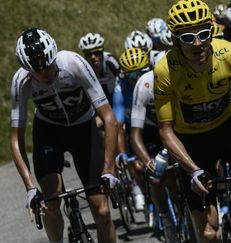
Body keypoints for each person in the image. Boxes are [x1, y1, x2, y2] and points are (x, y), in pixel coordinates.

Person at [154, 0, 231, 241]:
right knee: (208, 233)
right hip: (193, 142)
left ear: (212, 32)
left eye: (203, 34)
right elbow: (165, 131)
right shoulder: (165, 69)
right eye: (188, 38)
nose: (197, 44)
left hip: (229, 128)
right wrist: (193, 170)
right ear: (175, 41)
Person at [11, 28, 119, 243]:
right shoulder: (21, 81)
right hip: (49, 132)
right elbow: (16, 138)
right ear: (27, 69)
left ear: (54, 56)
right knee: (50, 203)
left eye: (48, 67)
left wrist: (108, 169)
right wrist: (30, 187)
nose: (45, 75)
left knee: (103, 211)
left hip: (84, 129)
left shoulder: (73, 63)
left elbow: (109, 118)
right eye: (37, 72)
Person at [128, 48, 179, 243]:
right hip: (153, 132)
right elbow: (135, 134)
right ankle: (166, 218)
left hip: (178, 129)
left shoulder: (181, 77)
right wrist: (147, 161)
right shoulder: (144, 84)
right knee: (156, 177)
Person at [113, 48, 150, 212]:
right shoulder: (120, 89)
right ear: (125, 75)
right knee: (136, 166)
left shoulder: (154, 80)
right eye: (132, 75)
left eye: (141, 73)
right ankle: (139, 188)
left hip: (153, 127)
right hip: (133, 130)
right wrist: (122, 153)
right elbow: (119, 126)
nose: (138, 79)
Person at [78, 32, 120, 106]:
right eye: (88, 54)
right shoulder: (80, 66)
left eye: (96, 52)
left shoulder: (111, 61)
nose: (93, 57)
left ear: (102, 52)